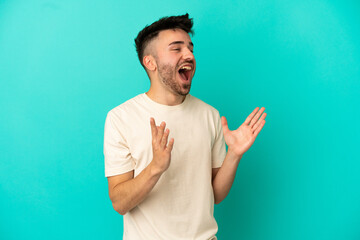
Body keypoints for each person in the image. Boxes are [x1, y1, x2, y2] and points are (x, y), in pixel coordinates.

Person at [103, 13, 267, 240]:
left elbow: (215, 195)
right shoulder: (121, 118)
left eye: (190, 48)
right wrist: (155, 168)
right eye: (176, 48)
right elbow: (120, 202)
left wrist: (234, 155)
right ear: (150, 62)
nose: (189, 55)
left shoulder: (209, 115)